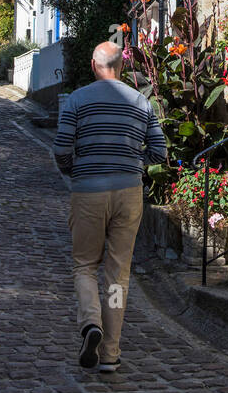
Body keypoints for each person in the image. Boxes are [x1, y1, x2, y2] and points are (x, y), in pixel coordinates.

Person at [52, 41, 167, 373]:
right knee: (118, 274)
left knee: (85, 265)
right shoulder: (141, 101)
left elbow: (61, 148)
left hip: (88, 191)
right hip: (129, 192)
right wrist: (134, 165)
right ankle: (111, 354)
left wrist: (75, 171)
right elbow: (159, 151)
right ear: (121, 67)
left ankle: (91, 324)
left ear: (93, 65)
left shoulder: (77, 99)